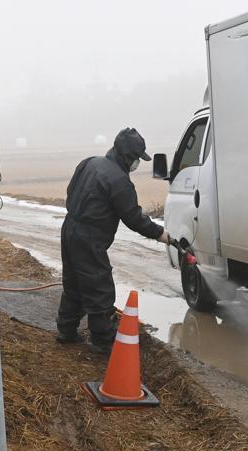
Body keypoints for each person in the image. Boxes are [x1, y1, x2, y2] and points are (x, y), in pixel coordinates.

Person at [57, 128, 172, 354]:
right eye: (138, 158)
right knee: (98, 285)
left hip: (69, 227)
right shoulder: (119, 180)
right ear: (129, 155)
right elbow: (134, 218)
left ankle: (66, 331)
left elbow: (71, 191)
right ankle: (103, 340)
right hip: (90, 237)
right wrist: (160, 234)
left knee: (74, 283)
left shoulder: (89, 162)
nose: (138, 163)